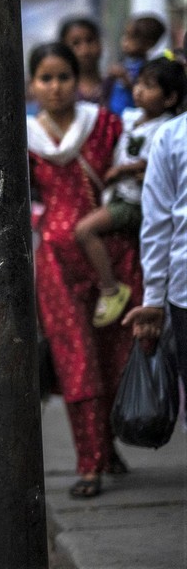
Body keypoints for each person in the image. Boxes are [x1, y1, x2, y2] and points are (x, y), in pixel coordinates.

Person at [26, 42, 141, 499]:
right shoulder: (25, 137)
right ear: (33, 85)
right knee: (76, 360)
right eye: (46, 78)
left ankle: (107, 447)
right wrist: (42, 223)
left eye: (64, 77)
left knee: (115, 356)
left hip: (112, 253)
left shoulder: (108, 125)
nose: (55, 87)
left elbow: (131, 181)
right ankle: (89, 463)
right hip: (55, 261)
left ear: (78, 80)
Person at [74, 57, 185, 327]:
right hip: (180, 291)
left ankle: (111, 289)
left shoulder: (166, 131)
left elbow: (152, 175)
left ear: (170, 99)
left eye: (149, 87)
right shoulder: (137, 121)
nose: (139, 90)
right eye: (138, 84)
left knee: (84, 230)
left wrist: (123, 171)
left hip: (135, 202)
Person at [122, 109, 187, 388]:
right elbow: (158, 224)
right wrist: (154, 299)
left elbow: (158, 224)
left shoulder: (173, 135)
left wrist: (154, 298)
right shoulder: (172, 136)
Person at [105, 15, 166, 114]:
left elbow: (142, 91)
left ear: (148, 43)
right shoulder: (125, 63)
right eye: (125, 35)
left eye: (131, 38)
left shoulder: (148, 68)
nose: (125, 41)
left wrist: (125, 78)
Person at [58, 17, 106, 103]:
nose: (85, 50)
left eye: (90, 40)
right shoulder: (60, 93)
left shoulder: (115, 86)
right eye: (76, 43)